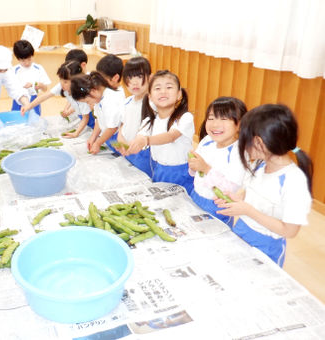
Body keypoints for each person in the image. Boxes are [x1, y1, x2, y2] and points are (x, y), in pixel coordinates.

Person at [216, 104, 313, 267]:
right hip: (242, 230)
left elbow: (289, 230)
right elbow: (250, 192)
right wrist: (236, 198)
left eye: (244, 139)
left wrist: (247, 210)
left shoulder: (293, 180)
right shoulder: (260, 164)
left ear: (259, 142)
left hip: (265, 246)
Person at [126, 70, 194, 194]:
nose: (163, 91)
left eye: (169, 87)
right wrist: (136, 143)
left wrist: (146, 140)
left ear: (179, 94)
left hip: (181, 173)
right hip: (159, 169)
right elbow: (141, 136)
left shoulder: (185, 118)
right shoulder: (149, 121)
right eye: (157, 88)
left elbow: (171, 136)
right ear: (150, 96)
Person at [188, 97, 247, 226]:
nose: (215, 124)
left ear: (240, 124)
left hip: (216, 206)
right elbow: (195, 172)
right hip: (195, 195)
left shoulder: (239, 152)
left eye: (224, 119)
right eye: (211, 118)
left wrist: (206, 169)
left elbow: (230, 190)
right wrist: (193, 166)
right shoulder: (207, 140)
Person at [21, 60, 92, 138]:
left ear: (76, 82)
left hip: (92, 118)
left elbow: (86, 118)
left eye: (65, 81)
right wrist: (29, 106)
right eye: (60, 79)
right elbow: (45, 96)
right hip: (82, 116)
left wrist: (76, 133)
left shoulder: (82, 96)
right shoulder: (62, 86)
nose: (61, 83)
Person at [114, 57, 152, 176]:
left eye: (140, 77)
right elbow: (123, 125)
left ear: (150, 78)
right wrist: (121, 141)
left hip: (144, 155)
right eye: (130, 78)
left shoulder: (152, 104)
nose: (134, 82)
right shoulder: (127, 102)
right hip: (127, 152)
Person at [71, 72, 125, 154]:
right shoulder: (98, 98)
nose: (88, 104)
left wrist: (98, 143)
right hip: (110, 136)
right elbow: (99, 119)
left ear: (93, 91)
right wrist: (93, 137)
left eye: (87, 101)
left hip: (121, 137)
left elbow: (112, 127)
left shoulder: (110, 100)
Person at [10, 40, 51, 115]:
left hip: (34, 101)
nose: (27, 63)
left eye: (29, 59)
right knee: (17, 122)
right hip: (18, 102)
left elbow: (45, 89)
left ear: (33, 55)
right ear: (17, 58)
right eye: (23, 60)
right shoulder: (14, 70)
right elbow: (11, 90)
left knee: (34, 122)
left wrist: (40, 85)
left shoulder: (38, 68)